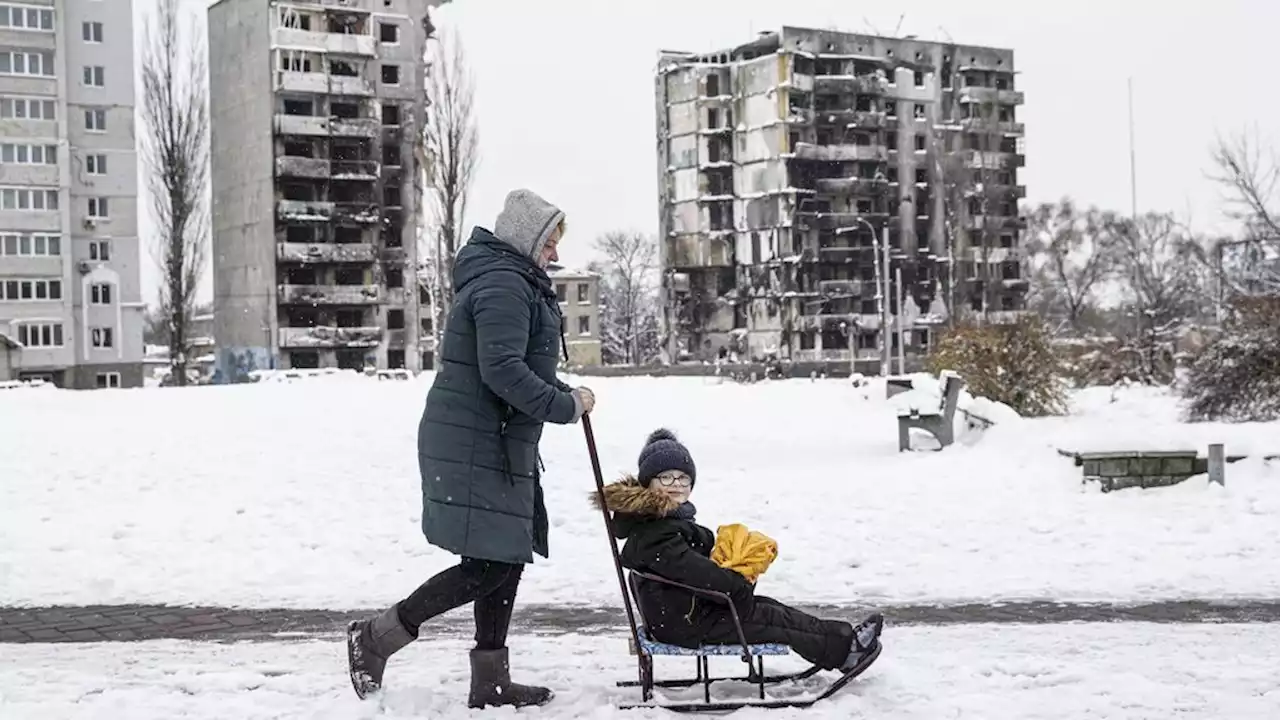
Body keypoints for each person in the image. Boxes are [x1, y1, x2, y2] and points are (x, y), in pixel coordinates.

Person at [346, 189, 596, 708]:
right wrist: (566, 404)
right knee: (489, 566)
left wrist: (557, 394)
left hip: (492, 437)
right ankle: (375, 638)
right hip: (476, 440)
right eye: (549, 243)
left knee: (504, 556)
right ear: (527, 238)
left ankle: (491, 679)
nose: (553, 254)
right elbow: (503, 371)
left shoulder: (512, 278)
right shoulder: (505, 282)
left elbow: (515, 361)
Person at [594, 429, 884, 673]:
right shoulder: (656, 531)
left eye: (683, 478)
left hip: (687, 612)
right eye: (666, 478)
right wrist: (738, 584)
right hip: (686, 624)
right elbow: (699, 574)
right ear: (648, 483)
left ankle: (843, 640)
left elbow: (697, 566)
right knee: (769, 620)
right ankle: (846, 652)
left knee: (770, 608)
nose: (676, 485)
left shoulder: (661, 521)